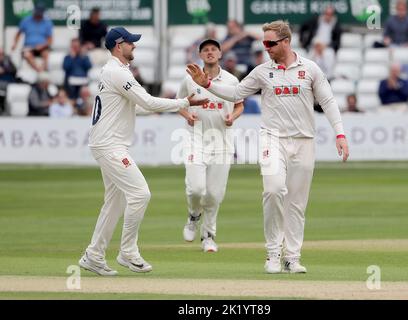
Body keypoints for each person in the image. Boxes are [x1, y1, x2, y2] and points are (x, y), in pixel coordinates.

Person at [187, 20, 349, 274]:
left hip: (304, 141)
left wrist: (340, 133)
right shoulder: (262, 71)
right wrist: (208, 85)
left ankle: (292, 257)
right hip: (272, 139)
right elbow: (236, 92)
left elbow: (327, 101)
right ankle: (273, 253)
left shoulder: (310, 69)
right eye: (264, 43)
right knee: (273, 191)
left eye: (271, 43)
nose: (266, 47)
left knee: (296, 203)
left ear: (286, 41)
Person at [78, 27, 207, 276]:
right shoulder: (117, 72)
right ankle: (127, 252)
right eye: (130, 43)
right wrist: (182, 102)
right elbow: (147, 101)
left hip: (107, 143)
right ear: (118, 45)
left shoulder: (118, 71)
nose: (134, 46)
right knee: (140, 193)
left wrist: (173, 105)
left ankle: (94, 255)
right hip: (109, 145)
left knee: (114, 203)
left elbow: (136, 108)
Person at [177, 39, 244, 253]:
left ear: (220, 53)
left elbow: (239, 104)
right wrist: (187, 115)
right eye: (205, 50)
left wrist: (232, 117)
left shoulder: (232, 80)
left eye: (214, 49)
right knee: (196, 188)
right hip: (195, 139)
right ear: (200, 55)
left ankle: (208, 236)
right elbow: (179, 102)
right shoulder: (189, 79)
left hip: (222, 142)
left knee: (214, 194)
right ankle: (193, 215)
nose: (210, 52)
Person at [11, 3, 53, 72]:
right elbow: (18, 34)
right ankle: (38, 70)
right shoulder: (26, 20)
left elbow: (50, 40)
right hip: (29, 47)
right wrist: (15, 44)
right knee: (27, 54)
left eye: (40, 12)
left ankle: (44, 71)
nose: (38, 14)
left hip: (42, 48)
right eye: (37, 12)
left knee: (46, 54)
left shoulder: (47, 22)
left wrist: (42, 46)